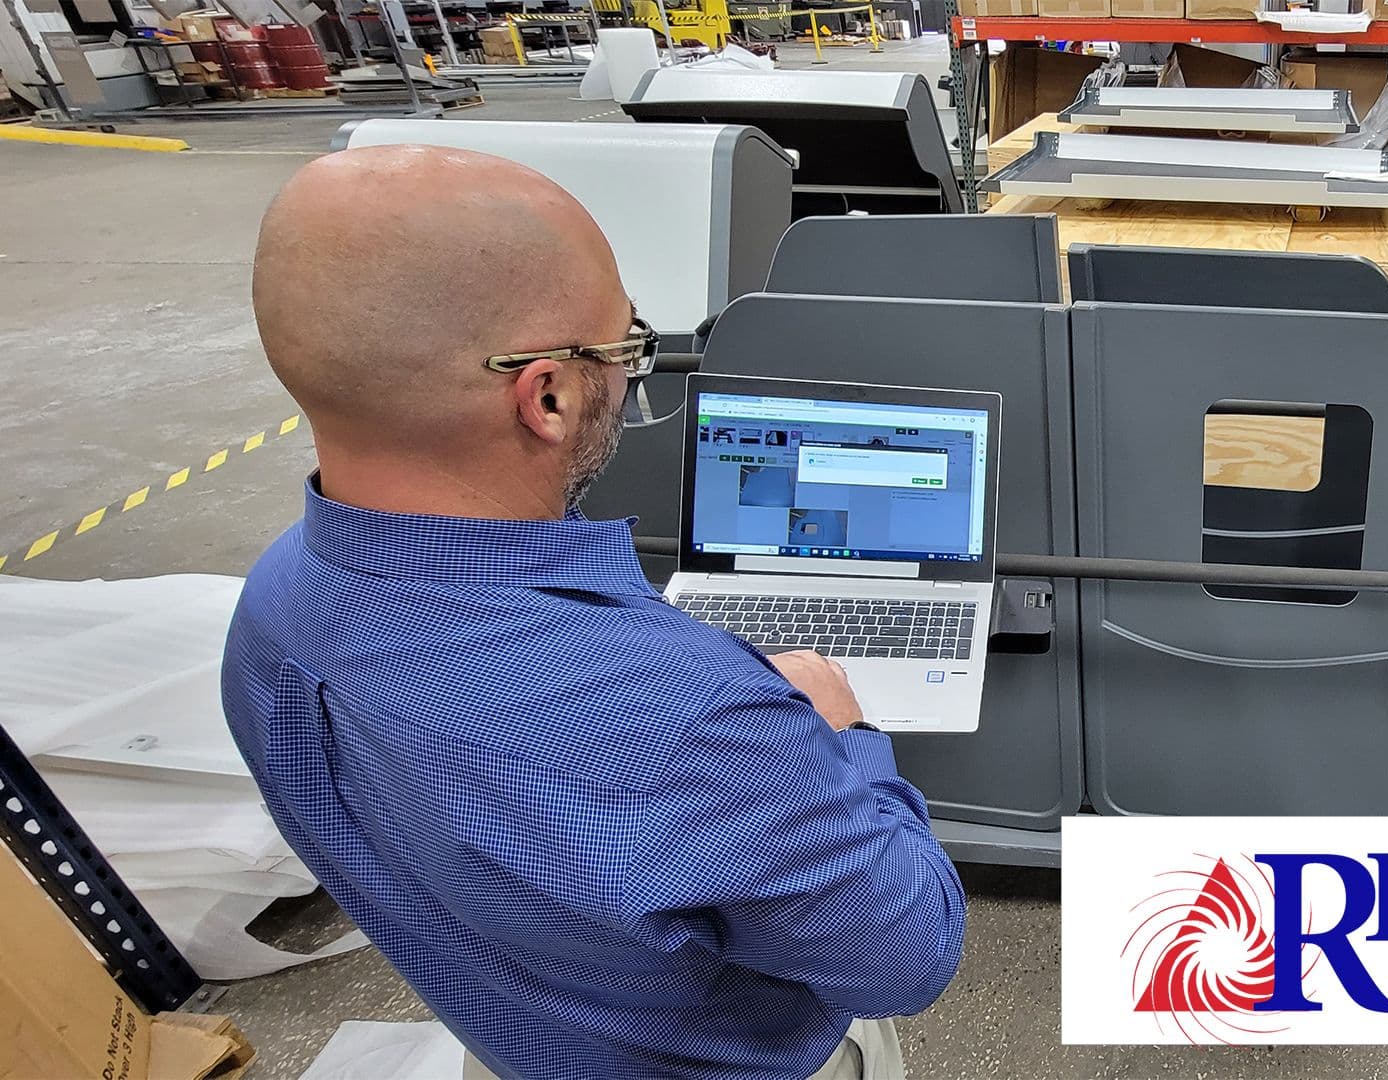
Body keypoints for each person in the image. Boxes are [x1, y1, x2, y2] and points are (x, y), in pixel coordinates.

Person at [222, 144, 967, 1079]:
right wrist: (838, 730)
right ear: (548, 393)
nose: (630, 369)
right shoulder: (692, 724)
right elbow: (910, 956)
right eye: (626, 348)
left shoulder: (270, 609)